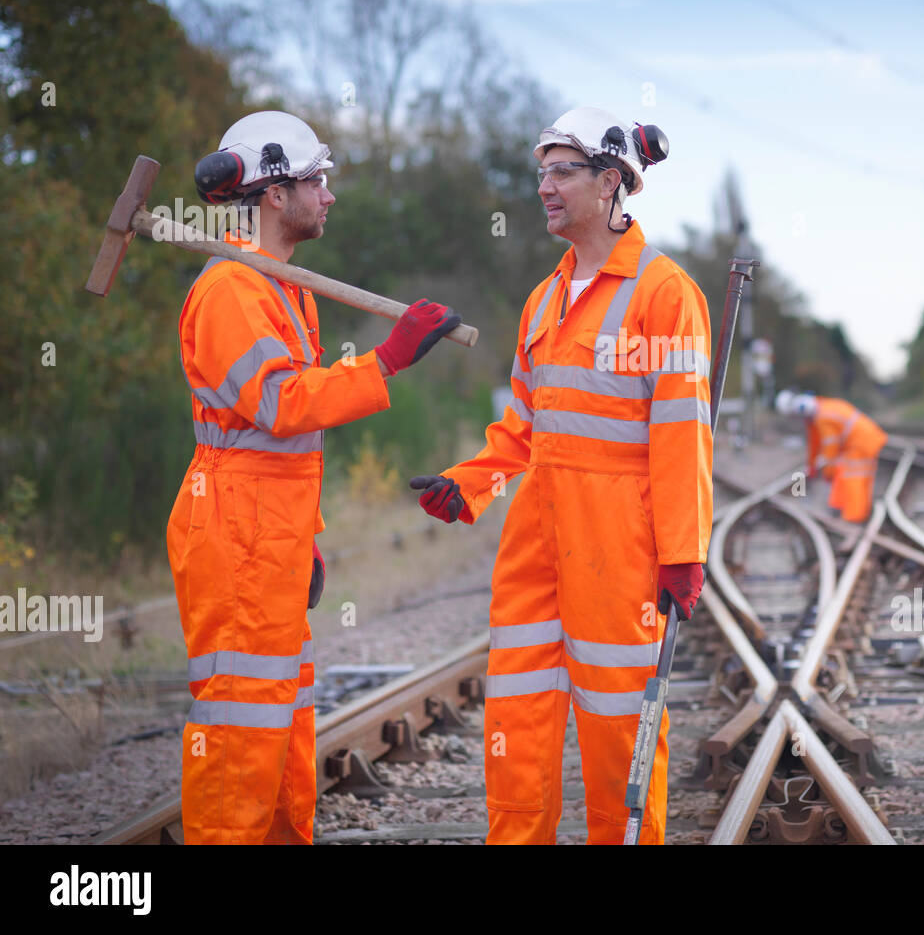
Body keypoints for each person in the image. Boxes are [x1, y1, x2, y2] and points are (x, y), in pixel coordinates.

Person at [408, 107, 713, 845]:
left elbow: (681, 437)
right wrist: (470, 482)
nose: (544, 187)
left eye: (562, 171)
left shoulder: (662, 292)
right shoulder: (543, 300)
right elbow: (523, 426)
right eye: (540, 172)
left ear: (612, 182)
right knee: (517, 717)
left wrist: (683, 550)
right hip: (535, 542)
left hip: (619, 544)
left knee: (617, 727)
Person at [166, 111, 462, 844]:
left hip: (270, 534)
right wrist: (385, 360)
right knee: (240, 727)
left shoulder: (281, 285)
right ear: (272, 194)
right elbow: (280, 404)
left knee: (280, 718)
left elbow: (283, 447)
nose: (328, 196)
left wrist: (309, 539)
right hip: (234, 538)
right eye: (316, 181)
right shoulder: (232, 289)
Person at [775, 390, 887, 523]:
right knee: (846, 473)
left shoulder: (823, 418)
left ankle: (854, 518)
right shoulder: (820, 411)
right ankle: (840, 508)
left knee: (853, 476)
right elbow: (815, 444)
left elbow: (830, 449)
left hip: (861, 442)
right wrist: (811, 467)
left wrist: (828, 471)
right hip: (863, 440)